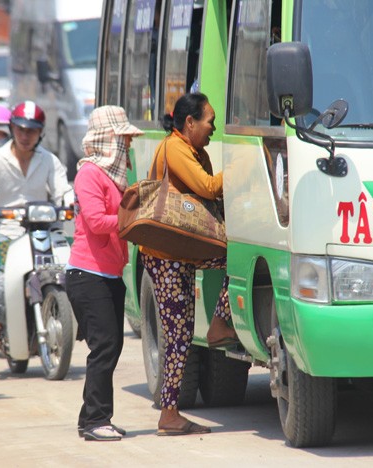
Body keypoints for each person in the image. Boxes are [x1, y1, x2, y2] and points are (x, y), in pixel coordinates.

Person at [140, 92, 236, 436]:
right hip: (166, 254)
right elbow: (208, 188)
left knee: (233, 259)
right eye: (209, 121)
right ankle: (169, 414)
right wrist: (245, 164)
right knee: (178, 334)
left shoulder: (196, 150)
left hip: (182, 249)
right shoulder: (175, 148)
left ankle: (219, 324)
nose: (214, 127)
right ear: (190, 123)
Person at [66, 106, 143, 442]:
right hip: (88, 274)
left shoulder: (114, 177)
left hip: (109, 274)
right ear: (108, 139)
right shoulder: (89, 174)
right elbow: (97, 222)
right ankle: (95, 420)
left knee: (109, 348)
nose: (127, 145)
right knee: (105, 346)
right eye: (122, 138)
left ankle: (94, 418)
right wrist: (133, 221)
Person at [0, 100, 71, 346]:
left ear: (41, 132)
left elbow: (63, 190)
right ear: (12, 128)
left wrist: (70, 204)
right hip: (5, 230)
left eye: (32, 130)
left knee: (71, 265)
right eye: (21, 129)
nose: (26, 135)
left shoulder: (49, 160)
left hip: (44, 229)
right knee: (5, 273)